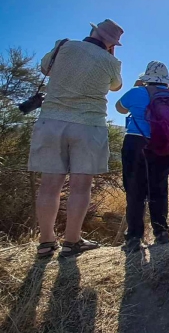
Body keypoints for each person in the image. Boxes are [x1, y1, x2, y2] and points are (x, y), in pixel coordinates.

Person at [29, 19, 124, 259]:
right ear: (113, 43)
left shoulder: (64, 46)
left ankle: (46, 241)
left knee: (49, 185)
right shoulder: (111, 61)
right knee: (81, 186)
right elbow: (115, 86)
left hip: (51, 120)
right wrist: (109, 55)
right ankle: (72, 241)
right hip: (89, 125)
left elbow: (44, 68)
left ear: (93, 30)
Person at [115, 61, 169, 253]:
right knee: (158, 189)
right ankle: (161, 233)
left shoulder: (136, 92)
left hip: (136, 142)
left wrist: (139, 86)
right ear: (166, 81)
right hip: (164, 145)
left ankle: (134, 237)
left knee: (135, 191)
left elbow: (119, 108)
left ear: (145, 78)